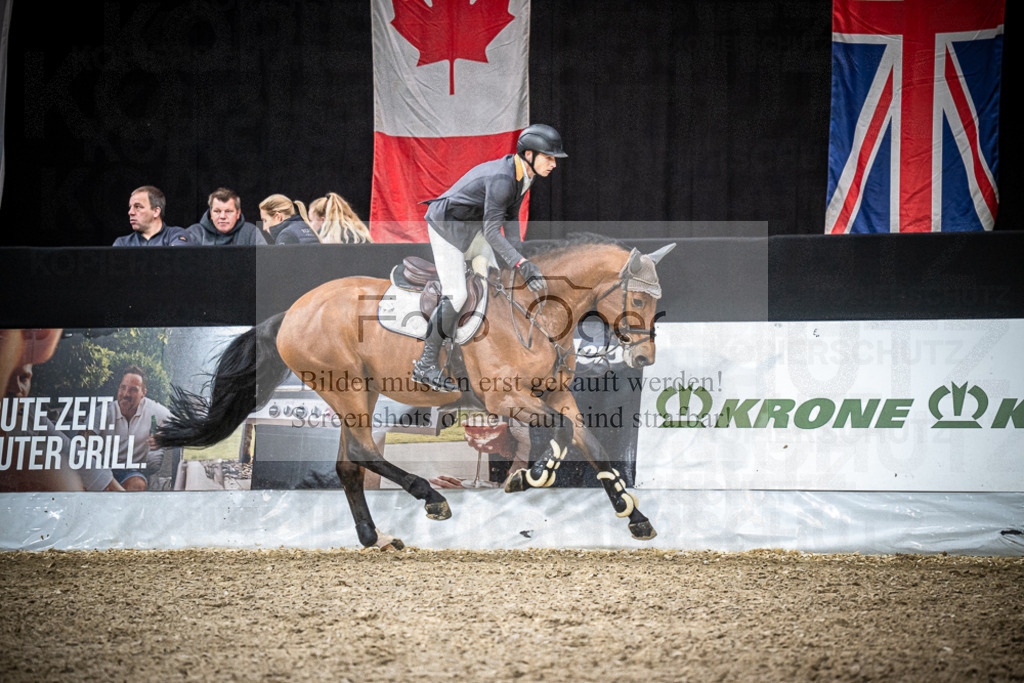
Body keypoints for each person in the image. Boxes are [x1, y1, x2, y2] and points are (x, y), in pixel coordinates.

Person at [411, 123, 567, 392]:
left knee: (497, 283)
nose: (554, 164)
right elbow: (493, 232)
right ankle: (425, 364)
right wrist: (520, 262)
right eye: (549, 157)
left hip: (473, 230)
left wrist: (520, 258)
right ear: (529, 155)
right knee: (457, 295)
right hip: (447, 229)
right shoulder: (503, 179)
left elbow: (512, 218)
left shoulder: (524, 174)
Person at [1, 363, 124, 492]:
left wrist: (118, 493)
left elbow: (70, 451)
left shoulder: (29, 416)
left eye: (23, 378)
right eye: (6, 376)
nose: (16, 388)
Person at [105, 365, 172, 491]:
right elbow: (80, 442)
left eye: (133, 390)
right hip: (102, 469)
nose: (126, 394)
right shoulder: (104, 411)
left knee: (137, 484)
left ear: (143, 393)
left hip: (132, 472)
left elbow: (180, 426)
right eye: (123, 388)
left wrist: (165, 438)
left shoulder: (153, 409)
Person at [112, 186, 192, 246]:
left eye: (138, 207)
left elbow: (178, 260)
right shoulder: (122, 243)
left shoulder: (176, 235)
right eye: (130, 207)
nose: (130, 212)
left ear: (156, 212)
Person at [186, 187, 266, 246]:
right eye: (217, 211)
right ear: (211, 213)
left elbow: (265, 260)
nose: (222, 216)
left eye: (228, 211)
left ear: (238, 213)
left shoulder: (251, 233)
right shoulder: (194, 233)